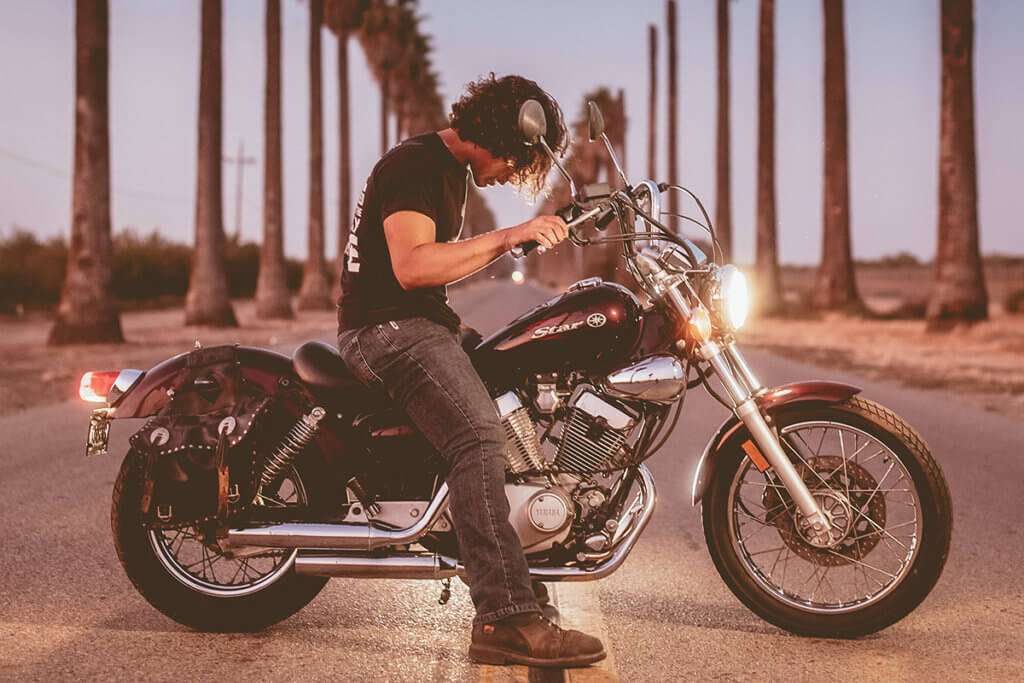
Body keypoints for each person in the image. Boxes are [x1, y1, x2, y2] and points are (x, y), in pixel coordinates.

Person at [335, 74, 606, 668]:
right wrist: (510, 236)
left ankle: (513, 557)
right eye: (518, 159)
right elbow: (411, 267)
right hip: (386, 330)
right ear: (496, 133)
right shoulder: (414, 164)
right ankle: (504, 618)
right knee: (477, 435)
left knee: (515, 394)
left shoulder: (446, 171)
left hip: (420, 323)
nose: (514, 174)